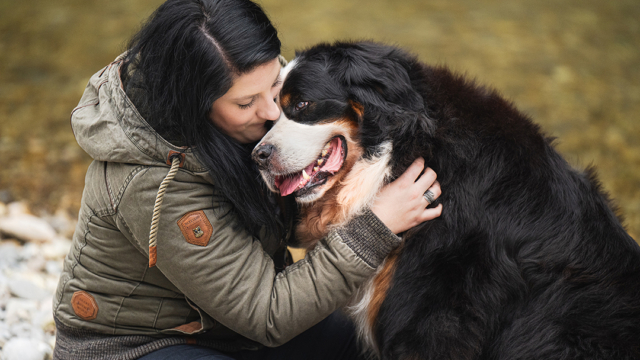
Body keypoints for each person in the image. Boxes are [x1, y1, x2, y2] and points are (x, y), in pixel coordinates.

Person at [52, 0, 443, 359]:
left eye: (276, 82)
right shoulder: (152, 184)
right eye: (245, 103)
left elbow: (297, 221)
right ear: (196, 105)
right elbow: (268, 314)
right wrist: (375, 227)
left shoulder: (250, 102)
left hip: (231, 328)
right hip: (138, 344)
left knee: (375, 343)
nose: (273, 112)